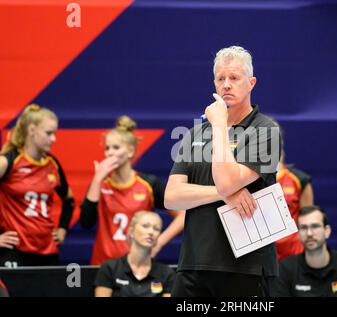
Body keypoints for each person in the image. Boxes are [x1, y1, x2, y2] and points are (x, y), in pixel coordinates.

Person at [165, 45, 281, 297]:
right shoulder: (196, 133)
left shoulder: (266, 130)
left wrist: (219, 124)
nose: (226, 84)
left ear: (251, 83)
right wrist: (225, 195)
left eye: (234, 78)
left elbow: (227, 181)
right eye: (220, 78)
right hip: (194, 265)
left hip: (246, 267)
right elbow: (172, 196)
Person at [80, 115, 184, 265]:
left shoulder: (148, 184)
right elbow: (86, 223)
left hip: (138, 265)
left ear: (130, 151)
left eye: (116, 148)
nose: (109, 153)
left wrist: (159, 242)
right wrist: (96, 180)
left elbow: (182, 216)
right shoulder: (100, 184)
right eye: (107, 148)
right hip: (103, 265)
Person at [0, 104, 74, 266]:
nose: (53, 139)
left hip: (47, 250)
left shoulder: (52, 164)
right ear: (32, 130)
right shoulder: (9, 161)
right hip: (15, 250)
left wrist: (62, 229)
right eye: (48, 133)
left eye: (54, 133)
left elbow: (69, 200)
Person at [271, 205, 337, 297]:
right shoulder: (285, 268)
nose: (309, 233)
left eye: (315, 226)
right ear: (298, 234)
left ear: (327, 231)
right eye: (304, 228)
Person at [94, 211, 175, 297]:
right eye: (145, 226)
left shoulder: (167, 273)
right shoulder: (110, 268)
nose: (151, 232)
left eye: (156, 229)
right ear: (131, 231)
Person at [276, 149, 314, 261]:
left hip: (293, 253)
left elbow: (308, 220)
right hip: (260, 256)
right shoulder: (246, 179)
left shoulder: (299, 179)